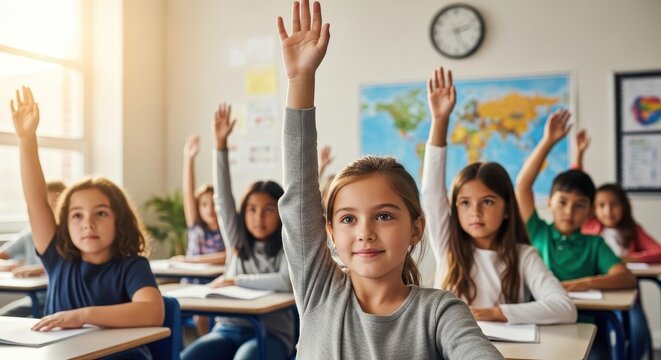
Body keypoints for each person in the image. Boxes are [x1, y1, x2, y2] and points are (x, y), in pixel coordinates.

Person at [277, 1, 502, 358]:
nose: (365, 231)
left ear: (416, 228)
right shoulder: (319, 291)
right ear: (330, 232)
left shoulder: (441, 312)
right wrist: (300, 80)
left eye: (384, 215)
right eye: (348, 218)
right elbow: (299, 194)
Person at [10, 86, 163, 358]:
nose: (88, 223)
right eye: (77, 215)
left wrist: (82, 316)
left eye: (101, 213)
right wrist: (26, 139)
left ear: (120, 220)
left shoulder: (132, 266)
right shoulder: (58, 257)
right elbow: (36, 201)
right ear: (65, 223)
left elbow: (152, 311)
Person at [421, 66, 576, 325]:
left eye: (488, 202)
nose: (475, 212)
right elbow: (431, 191)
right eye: (465, 203)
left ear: (507, 208)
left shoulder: (523, 255)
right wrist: (440, 120)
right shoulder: (448, 245)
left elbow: (564, 308)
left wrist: (491, 313)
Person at [515, 110, 636, 359]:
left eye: (579, 205)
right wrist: (548, 141)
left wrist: (581, 284)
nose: (569, 211)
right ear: (549, 202)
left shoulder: (594, 244)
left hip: (587, 328)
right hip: (541, 326)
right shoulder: (538, 231)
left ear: (590, 211)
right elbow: (523, 185)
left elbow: (625, 278)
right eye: (562, 202)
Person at [180, 103, 293, 360]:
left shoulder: (288, 243)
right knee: (189, 357)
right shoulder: (237, 241)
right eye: (252, 210)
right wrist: (220, 145)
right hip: (228, 329)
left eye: (268, 210)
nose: (258, 218)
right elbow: (222, 200)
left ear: (280, 213)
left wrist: (235, 280)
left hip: (270, 335)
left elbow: (286, 281)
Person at [573, 129, 661, 263]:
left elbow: (658, 252)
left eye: (614, 204)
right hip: (593, 281)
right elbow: (576, 185)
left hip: (622, 281)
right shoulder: (588, 225)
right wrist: (579, 154)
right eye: (601, 206)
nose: (608, 211)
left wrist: (628, 259)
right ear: (593, 208)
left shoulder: (632, 229)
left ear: (624, 206)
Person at [0, 180, 65, 317]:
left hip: (62, 302)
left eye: (54, 205)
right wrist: (6, 265)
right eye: (44, 206)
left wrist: (42, 268)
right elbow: (2, 254)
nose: (47, 212)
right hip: (34, 299)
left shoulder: (74, 236)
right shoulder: (29, 234)